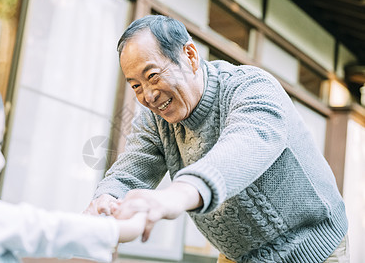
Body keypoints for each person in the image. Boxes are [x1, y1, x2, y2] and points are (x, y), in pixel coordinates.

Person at [84, 15, 349, 262]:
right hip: (238, 255)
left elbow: (240, 151)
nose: (148, 96)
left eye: (152, 76)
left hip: (312, 248)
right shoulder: (154, 120)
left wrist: (172, 198)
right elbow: (128, 175)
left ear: (189, 55)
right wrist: (106, 201)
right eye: (136, 86)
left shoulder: (251, 87)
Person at [0, 58, 146, 263]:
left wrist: (85, 226)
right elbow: (39, 229)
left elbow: (29, 244)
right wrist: (126, 226)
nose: (1, 160)